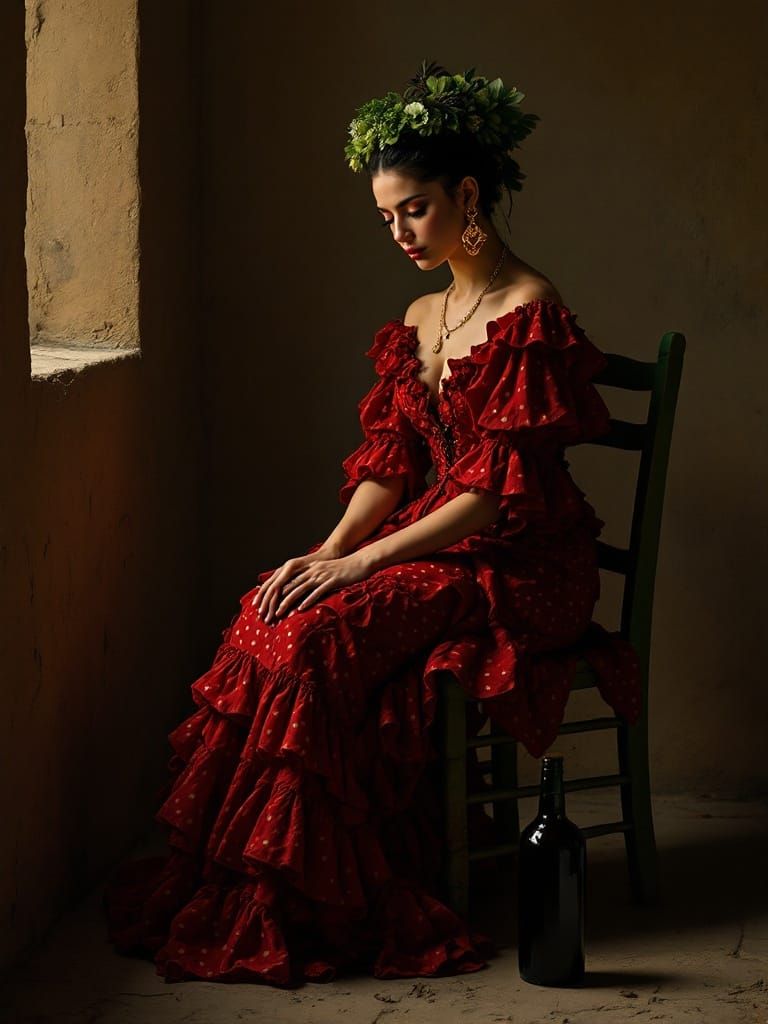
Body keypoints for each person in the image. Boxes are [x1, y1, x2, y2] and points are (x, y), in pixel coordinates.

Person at [103, 60, 641, 986]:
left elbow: (493, 493)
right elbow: (393, 466)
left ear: (468, 193)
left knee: (324, 637)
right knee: (269, 610)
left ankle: (317, 896)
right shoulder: (422, 312)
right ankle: (267, 884)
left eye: (415, 210)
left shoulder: (528, 308)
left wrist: (363, 571)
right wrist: (327, 549)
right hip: (437, 537)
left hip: (520, 560)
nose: (398, 232)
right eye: (385, 216)